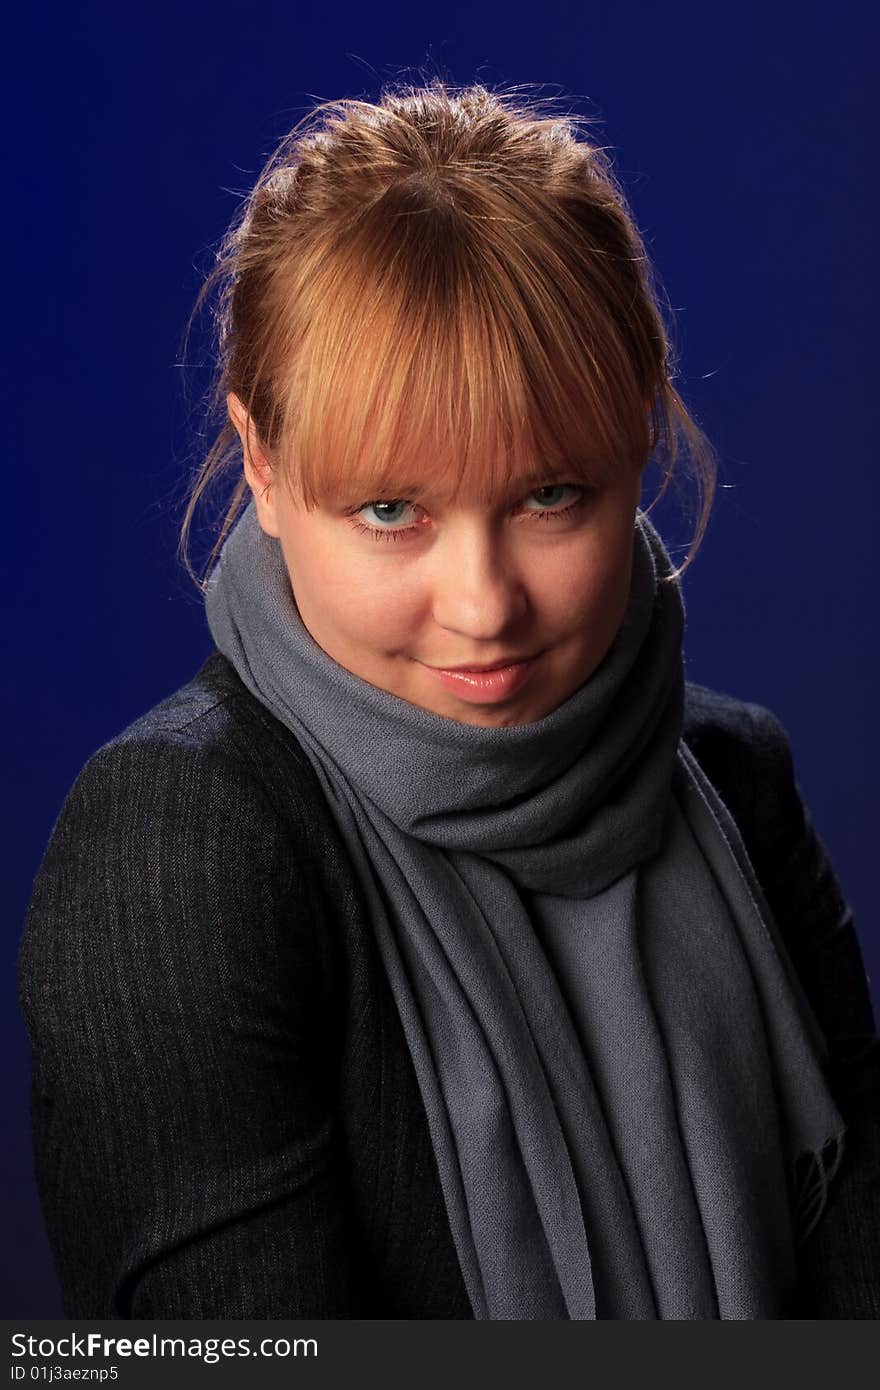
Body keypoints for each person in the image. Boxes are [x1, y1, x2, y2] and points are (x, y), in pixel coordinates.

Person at [17, 79, 879, 1320]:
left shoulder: (740, 783)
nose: (482, 605)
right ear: (263, 464)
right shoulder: (181, 847)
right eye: (388, 511)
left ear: (637, 434)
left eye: (548, 497)